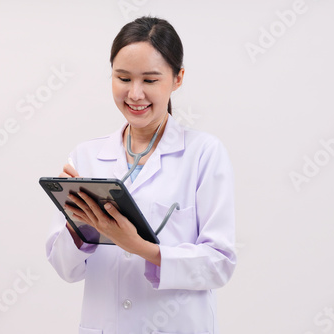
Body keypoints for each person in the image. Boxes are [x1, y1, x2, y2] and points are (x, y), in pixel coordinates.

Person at [46, 16, 236, 334]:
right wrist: (79, 225)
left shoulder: (204, 153)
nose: (135, 94)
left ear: (177, 79)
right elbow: (66, 269)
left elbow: (220, 264)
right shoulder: (86, 157)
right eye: (123, 78)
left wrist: (139, 246)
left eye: (150, 80)